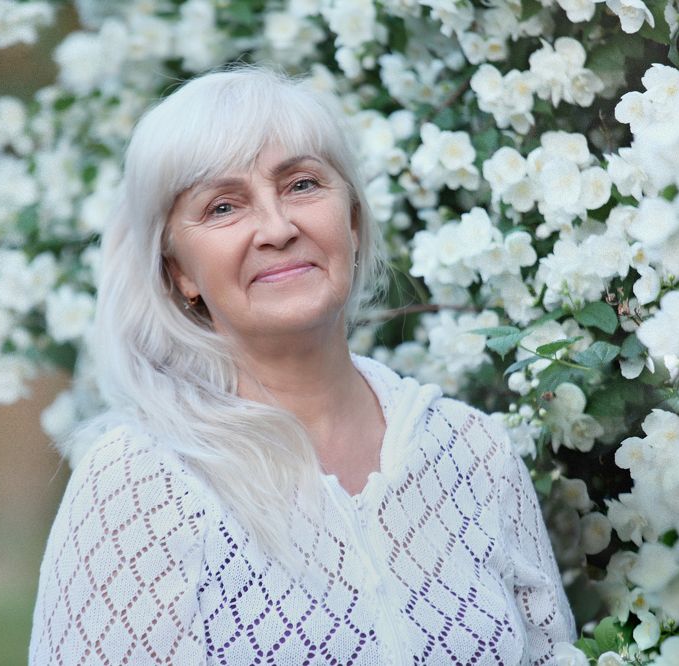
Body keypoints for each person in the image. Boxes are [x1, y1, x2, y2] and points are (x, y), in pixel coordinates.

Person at [29, 66, 576, 665]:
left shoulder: (475, 454)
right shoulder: (140, 482)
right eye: (222, 207)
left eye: (302, 185)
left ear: (353, 221)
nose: (277, 228)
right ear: (179, 271)